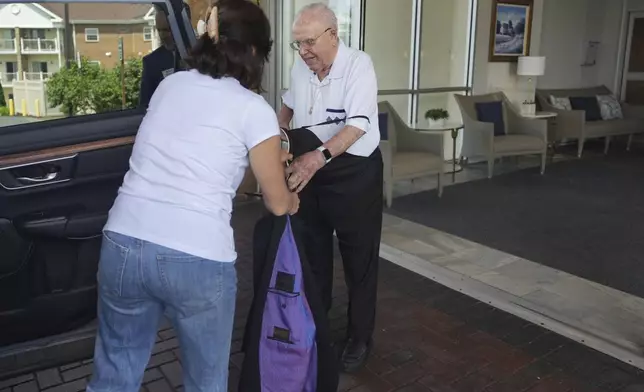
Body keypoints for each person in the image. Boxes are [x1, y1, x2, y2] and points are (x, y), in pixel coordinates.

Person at [87, 1, 298, 391]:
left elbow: (196, 154)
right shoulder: (254, 109)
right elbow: (275, 201)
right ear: (253, 52)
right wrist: (290, 194)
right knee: (205, 381)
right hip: (196, 255)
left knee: (115, 371)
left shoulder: (170, 85)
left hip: (124, 241)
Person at [278, 2, 383, 373]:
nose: (303, 51)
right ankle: (318, 327)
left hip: (353, 172)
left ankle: (359, 337)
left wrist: (316, 157)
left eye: (308, 42)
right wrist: (277, 139)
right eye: (298, 44)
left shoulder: (358, 64)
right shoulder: (300, 66)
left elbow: (357, 126)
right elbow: (288, 107)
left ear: (333, 36)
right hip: (311, 169)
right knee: (313, 256)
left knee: (359, 261)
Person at [138, 3, 190, 108]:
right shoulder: (151, 62)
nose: (162, 35)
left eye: (167, 30)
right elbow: (144, 106)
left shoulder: (201, 55)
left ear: (183, 27)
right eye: (159, 30)